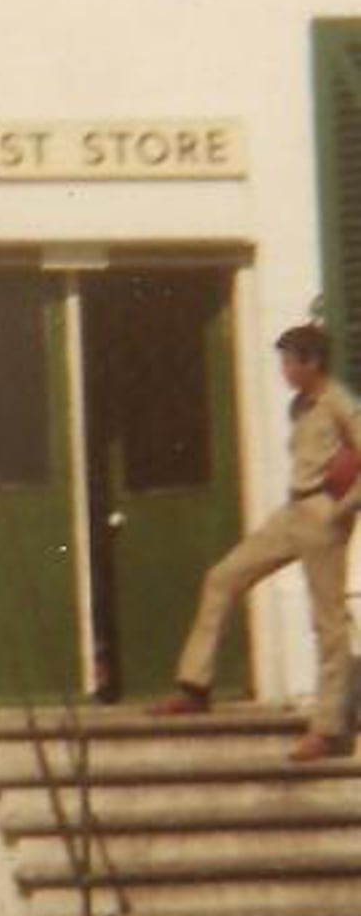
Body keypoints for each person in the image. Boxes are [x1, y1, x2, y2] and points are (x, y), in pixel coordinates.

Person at [154, 324, 361, 761]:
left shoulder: (339, 403)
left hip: (323, 516)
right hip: (292, 512)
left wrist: (343, 510)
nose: (284, 371)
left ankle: (328, 729)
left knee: (327, 621)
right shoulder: (299, 407)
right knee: (223, 577)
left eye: (290, 361)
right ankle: (194, 685)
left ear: (313, 362)